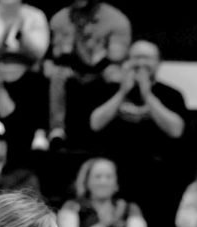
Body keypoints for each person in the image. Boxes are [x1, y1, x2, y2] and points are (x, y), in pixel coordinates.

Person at [45, 0, 132, 146]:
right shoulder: (60, 19)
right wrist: (72, 40)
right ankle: (57, 129)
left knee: (116, 75)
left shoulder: (116, 19)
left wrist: (94, 47)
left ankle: (113, 133)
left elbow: (117, 57)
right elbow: (57, 54)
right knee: (55, 74)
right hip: (73, 69)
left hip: (105, 68)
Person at [86, 40, 187, 161]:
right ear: (127, 61)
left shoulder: (172, 95)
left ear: (158, 62)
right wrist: (122, 92)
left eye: (147, 58)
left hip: (157, 165)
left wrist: (148, 95)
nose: (141, 62)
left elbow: (176, 131)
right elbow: (95, 124)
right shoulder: (108, 89)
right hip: (113, 166)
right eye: (136, 57)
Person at [0, 0, 50, 64]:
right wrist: (4, 37)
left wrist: (22, 37)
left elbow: (39, 53)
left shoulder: (36, 16)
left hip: (28, 70)